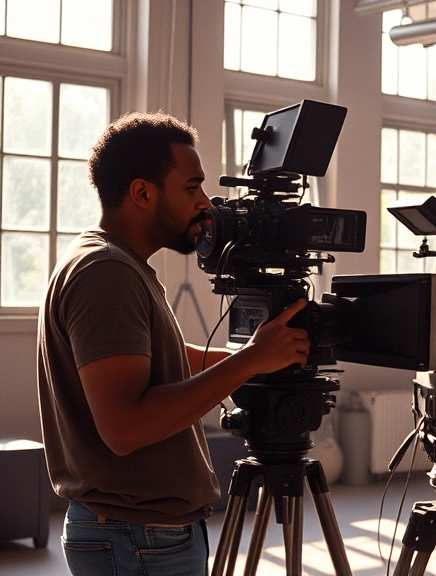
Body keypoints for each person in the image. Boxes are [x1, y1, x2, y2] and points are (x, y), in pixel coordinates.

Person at [37, 112, 311, 575]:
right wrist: (250, 359)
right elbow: (126, 428)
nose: (206, 203)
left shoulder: (114, 261)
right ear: (143, 192)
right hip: (136, 538)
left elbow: (154, 360)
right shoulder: (108, 273)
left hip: (137, 533)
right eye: (191, 187)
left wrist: (250, 362)